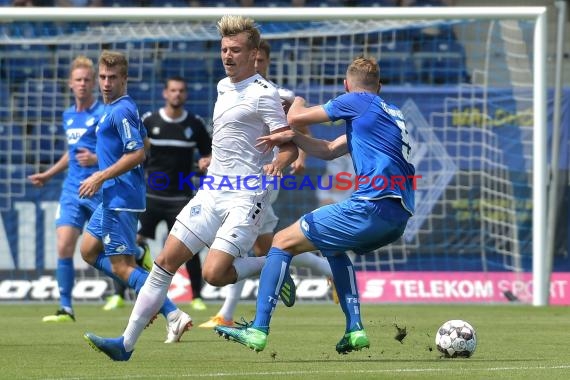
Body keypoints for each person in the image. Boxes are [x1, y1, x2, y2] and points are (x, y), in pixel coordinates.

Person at [83, 15, 299, 361]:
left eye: (235, 50)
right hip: (212, 191)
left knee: (215, 274)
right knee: (165, 260)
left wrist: (279, 161)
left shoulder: (266, 95)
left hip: (246, 195)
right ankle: (125, 344)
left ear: (253, 52)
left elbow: (290, 146)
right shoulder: (222, 86)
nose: (227, 56)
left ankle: (271, 263)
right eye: (224, 49)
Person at [215, 56, 416, 354]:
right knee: (333, 248)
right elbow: (330, 150)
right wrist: (294, 138)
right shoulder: (390, 114)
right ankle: (354, 329)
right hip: (398, 216)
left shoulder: (357, 101)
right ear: (380, 86)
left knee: (281, 241)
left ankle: (258, 329)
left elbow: (297, 115)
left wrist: (295, 99)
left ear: (346, 86)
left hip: (371, 205)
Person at [198, 38, 335, 329]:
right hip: (241, 180)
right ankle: (324, 266)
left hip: (262, 180)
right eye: (254, 61)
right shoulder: (234, 89)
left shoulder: (275, 94)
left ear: (265, 62)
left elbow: (300, 126)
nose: (256, 66)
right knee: (266, 249)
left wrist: (299, 159)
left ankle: (227, 312)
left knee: (235, 245)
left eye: (260, 62)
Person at [79, 50, 193, 345]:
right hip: (113, 195)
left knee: (121, 267)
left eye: (113, 78)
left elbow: (138, 153)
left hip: (121, 197)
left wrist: (101, 174)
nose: (106, 83)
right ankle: (147, 279)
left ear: (125, 79)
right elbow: (145, 141)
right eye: (103, 77)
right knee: (89, 250)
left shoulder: (120, 110)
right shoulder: (121, 107)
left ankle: (172, 312)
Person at [103, 76, 212, 312]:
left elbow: (209, 154)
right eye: (173, 90)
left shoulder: (195, 124)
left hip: (181, 198)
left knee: (189, 247)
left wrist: (206, 161)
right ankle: (119, 295)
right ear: (165, 93)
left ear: (186, 95)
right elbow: (131, 151)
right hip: (150, 196)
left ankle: (197, 297)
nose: (177, 94)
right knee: (130, 243)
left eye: (181, 91)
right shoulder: (149, 121)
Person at [28, 55, 104, 322]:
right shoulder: (68, 115)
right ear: (70, 84)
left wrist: (96, 160)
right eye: (78, 80)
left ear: (94, 83)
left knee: (108, 249)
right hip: (72, 188)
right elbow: (71, 154)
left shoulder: (103, 113)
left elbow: (119, 152)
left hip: (97, 188)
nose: (82, 84)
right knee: (63, 247)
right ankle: (66, 308)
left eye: (87, 80)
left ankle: (141, 271)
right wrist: (48, 175)